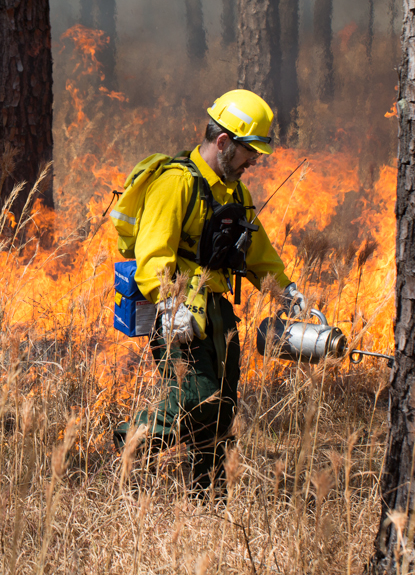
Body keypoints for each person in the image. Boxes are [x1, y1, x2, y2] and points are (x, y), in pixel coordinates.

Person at [116, 89, 306, 496]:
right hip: (180, 317)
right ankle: (128, 445)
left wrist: (285, 290)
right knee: (195, 399)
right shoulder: (176, 183)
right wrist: (169, 305)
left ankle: (210, 495)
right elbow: (153, 252)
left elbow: (257, 252)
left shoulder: (236, 192)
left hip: (218, 313)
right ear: (223, 142)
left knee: (221, 410)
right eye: (248, 151)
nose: (253, 161)